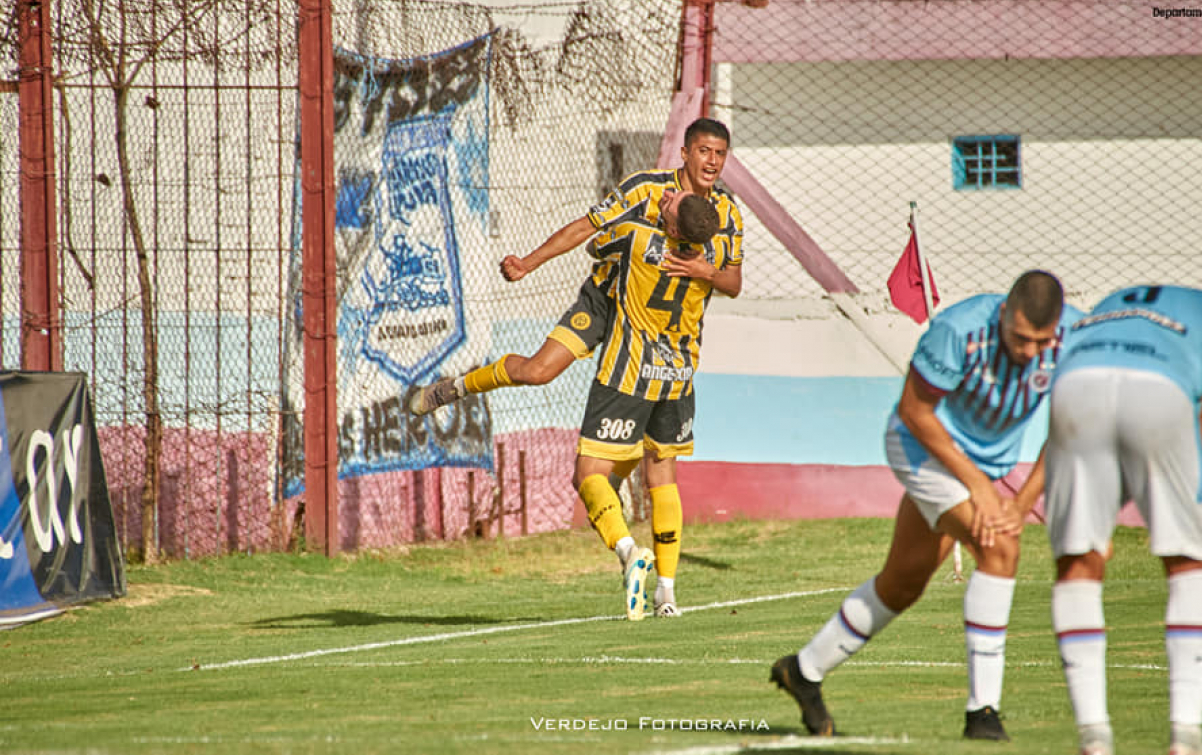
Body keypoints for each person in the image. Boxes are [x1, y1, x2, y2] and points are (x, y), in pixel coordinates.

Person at [410, 118, 744, 616]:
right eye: (705, 151)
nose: (712, 162)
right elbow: (586, 228)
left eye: (720, 154)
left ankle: (652, 574)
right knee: (538, 372)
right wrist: (529, 263)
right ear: (686, 153)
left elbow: (730, 279)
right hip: (607, 300)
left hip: (648, 324)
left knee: (615, 459)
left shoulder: (725, 215)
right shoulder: (645, 189)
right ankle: (454, 387)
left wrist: (703, 269)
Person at [771, 270, 1083, 741]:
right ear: (1004, 313)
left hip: (980, 468)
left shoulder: (1077, 340)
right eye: (1020, 338)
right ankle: (983, 714)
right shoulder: (958, 330)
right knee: (1000, 547)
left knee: (903, 583)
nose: (1028, 352)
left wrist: (1021, 503)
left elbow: (1069, 427)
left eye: (1040, 342)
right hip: (919, 449)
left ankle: (803, 671)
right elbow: (915, 412)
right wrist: (979, 488)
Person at [1043, 285, 1202, 755]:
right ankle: (1186, 735)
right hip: (1160, 387)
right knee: (1191, 563)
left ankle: (1093, 736)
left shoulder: (1109, 305)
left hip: (1075, 387)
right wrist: (1192, 510)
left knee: (1078, 561)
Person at [568, 190, 729, 620]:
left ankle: (627, 551)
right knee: (662, 478)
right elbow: (729, 280)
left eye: (671, 204)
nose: (667, 196)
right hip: (678, 377)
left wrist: (645, 215)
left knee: (588, 473)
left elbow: (594, 246)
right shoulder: (711, 255)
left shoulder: (636, 236)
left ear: (673, 227)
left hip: (628, 375)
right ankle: (667, 594)